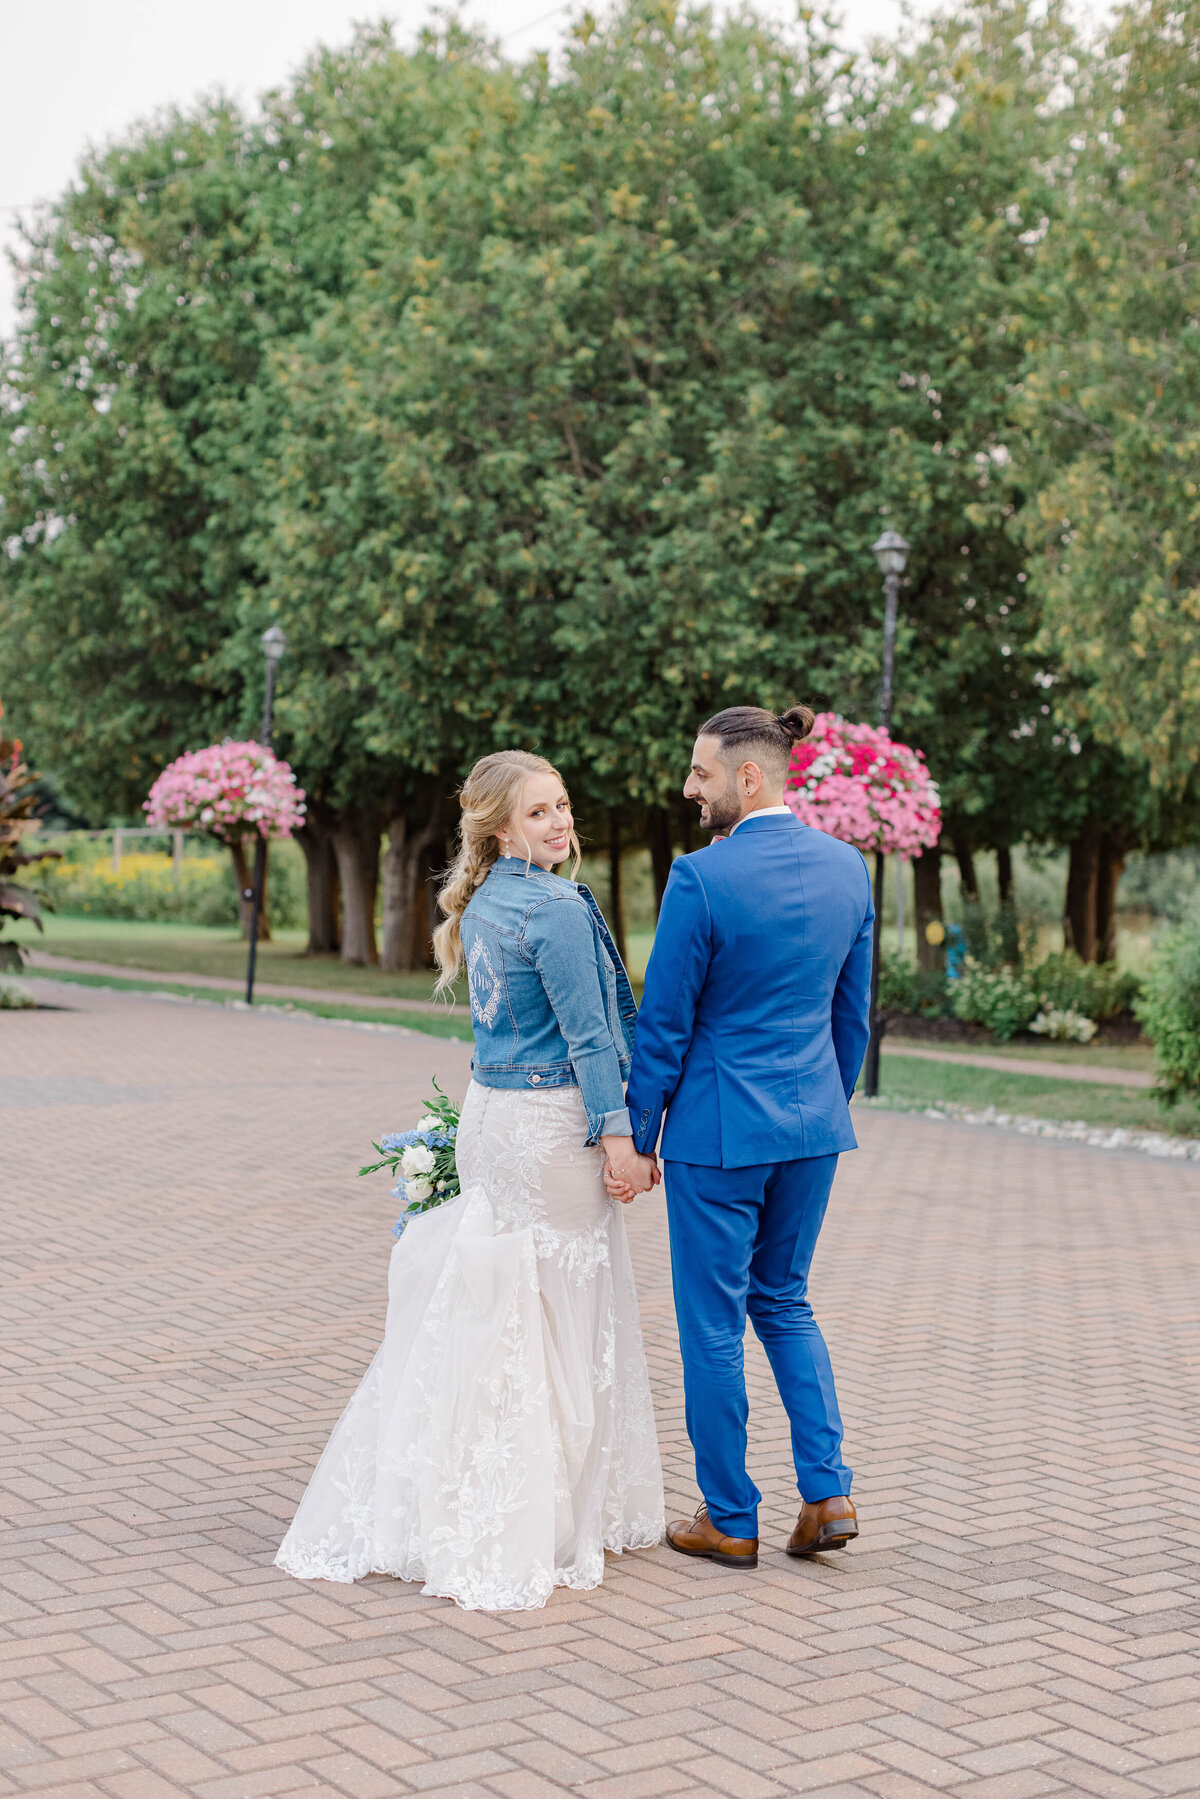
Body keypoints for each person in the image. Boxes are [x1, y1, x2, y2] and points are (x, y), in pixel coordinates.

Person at [275, 750, 663, 1611]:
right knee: (557, 1310)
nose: (561, 822)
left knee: (501, 1306)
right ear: (498, 827)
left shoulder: (487, 900)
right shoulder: (556, 907)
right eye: (539, 813)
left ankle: (465, 1493)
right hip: (552, 1125)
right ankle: (534, 1513)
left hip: (494, 1114)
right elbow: (592, 1037)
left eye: (564, 805)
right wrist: (620, 1135)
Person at [606, 705, 873, 1569]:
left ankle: (729, 1514)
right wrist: (823, 1105)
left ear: (747, 777)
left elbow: (666, 1024)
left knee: (712, 1323)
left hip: (719, 1134)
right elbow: (853, 1019)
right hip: (812, 1129)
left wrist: (639, 1134)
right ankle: (827, 1490)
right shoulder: (849, 871)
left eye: (701, 772)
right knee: (785, 1301)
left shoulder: (702, 878)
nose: (690, 787)